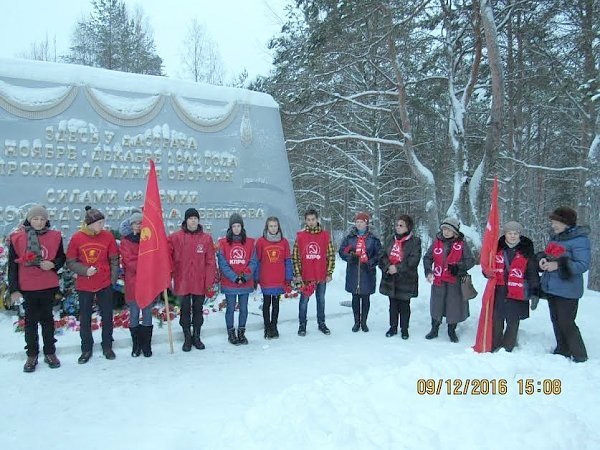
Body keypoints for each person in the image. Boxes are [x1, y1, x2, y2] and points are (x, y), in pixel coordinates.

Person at [8, 205, 66, 373]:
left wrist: (53, 264)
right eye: (35, 219)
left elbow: (61, 258)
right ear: (29, 220)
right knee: (30, 322)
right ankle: (32, 355)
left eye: (42, 219)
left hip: (48, 285)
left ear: (46, 220)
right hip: (28, 287)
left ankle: (50, 353)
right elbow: (12, 266)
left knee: (48, 321)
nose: (39, 222)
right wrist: (14, 289)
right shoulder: (17, 238)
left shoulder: (55, 236)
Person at [66, 206, 119, 363]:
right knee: (85, 318)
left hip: (104, 283)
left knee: (107, 316)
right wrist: (83, 270)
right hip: (85, 283)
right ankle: (86, 348)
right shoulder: (77, 238)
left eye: (103, 222)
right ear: (89, 223)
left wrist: (113, 279)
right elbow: (70, 261)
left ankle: (107, 346)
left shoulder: (108, 237)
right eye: (99, 223)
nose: (101, 226)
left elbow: (114, 259)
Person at [538, 207, 590, 363]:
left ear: (566, 223)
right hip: (552, 286)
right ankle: (562, 349)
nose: (553, 225)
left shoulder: (580, 240)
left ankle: (580, 355)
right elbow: (549, 254)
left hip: (569, 290)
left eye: (556, 222)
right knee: (556, 320)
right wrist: (543, 259)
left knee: (566, 322)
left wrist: (558, 266)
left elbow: (583, 264)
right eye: (553, 222)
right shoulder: (556, 237)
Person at [169, 208, 216, 352]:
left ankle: (196, 336)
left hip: (199, 282)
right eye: (190, 218)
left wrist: (209, 282)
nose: (193, 220)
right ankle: (187, 338)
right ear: (186, 220)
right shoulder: (175, 237)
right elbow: (166, 256)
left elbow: (210, 262)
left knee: (198, 310)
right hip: (182, 281)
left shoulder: (206, 238)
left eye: (195, 218)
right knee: (184, 311)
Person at [423, 217, 474, 342]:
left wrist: (459, 267)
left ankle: (452, 330)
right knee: (436, 305)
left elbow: (470, 261)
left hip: (455, 281)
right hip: (439, 279)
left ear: (455, 232)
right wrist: (429, 271)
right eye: (444, 229)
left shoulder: (462, 244)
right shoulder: (437, 242)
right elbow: (427, 258)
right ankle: (434, 328)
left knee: (454, 306)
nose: (446, 232)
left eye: (449, 230)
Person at [491, 221, 540, 352]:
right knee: (496, 318)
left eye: (515, 233)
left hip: (518, 290)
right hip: (499, 290)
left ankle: (508, 346)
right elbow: (489, 267)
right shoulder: (497, 249)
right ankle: (495, 343)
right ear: (505, 234)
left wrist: (535, 292)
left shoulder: (526, 251)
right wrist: (486, 272)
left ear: (519, 235)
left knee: (513, 320)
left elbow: (532, 273)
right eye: (509, 233)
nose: (512, 236)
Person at [292, 208, 335, 336]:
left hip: (321, 274)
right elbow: (295, 256)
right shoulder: (300, 236)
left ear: (317, 220)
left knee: (320, 300)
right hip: (306, 276)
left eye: (313, 219)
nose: (311, 222)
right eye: (308, 220)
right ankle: (302, 325)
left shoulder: (325, 235)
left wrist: (329, 272)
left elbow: (331, 255)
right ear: (305, 221)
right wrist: (298, 274)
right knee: (304, 301)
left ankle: (321, 323)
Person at [378, 214, 421, 339]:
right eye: (397, 225)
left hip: (406, 278)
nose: (398, 227)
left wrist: (397, 268)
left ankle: (404, 329)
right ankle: (393, 327)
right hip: (390, 278)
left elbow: (413, 260)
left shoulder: (415, 241)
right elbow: (382, 255)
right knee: (392, 305)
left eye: (401, 225)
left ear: (408, 227)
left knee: (404, 305)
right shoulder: (390, 239)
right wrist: (388, 267)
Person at [217, 213, 257, 345]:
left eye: (238, 225)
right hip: (230, 283)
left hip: (245, 282)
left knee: (244, 308)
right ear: (230, 227)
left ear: (242, 227)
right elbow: (223, 263)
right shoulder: (223, 243)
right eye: (234, 226)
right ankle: (231, 333)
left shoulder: (250, 243)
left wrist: (244, 277)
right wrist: (234, 278)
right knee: (230, 308)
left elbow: (253, 261)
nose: (236, 228)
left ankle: (241, 332)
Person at [338, 212, 382, 333]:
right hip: (353, 271)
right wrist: (350, 257)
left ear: (366, 223)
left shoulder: (373, 238)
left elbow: (379, 254)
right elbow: (342, 251)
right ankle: (356, 322)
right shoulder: (350, 237)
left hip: (367, 272)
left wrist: (370, 262)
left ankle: (364, 322)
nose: (359, 224)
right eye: (357, 222)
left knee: (365, 297)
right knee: (355, 297)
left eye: (361, 222)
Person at [120, 211, 154, 357]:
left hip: (147, 283)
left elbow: (153, 257)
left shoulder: (150, 240)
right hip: (133, 282)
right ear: (131, 225)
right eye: (136, 223)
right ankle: (136, 345)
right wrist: (144, 264)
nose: (138, 225)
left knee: (147, 313)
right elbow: (128, 260)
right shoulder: (126, 241)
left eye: (141, 223)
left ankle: (146, 345)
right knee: (134, 314)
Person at [255, 216, 293, 339]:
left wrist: (288, 278)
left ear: (278, 227)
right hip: (266, 279)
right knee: (266, 304)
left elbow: (287, 261)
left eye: (275, 226)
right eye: (270, 226)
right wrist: (256, 278)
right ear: (267, 227)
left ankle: (274, 326)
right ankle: (267, 327)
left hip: (279, 279)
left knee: (276, 304)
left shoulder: (284, 242)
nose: (273, 228)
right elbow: (257, 261)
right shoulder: (261, 242)